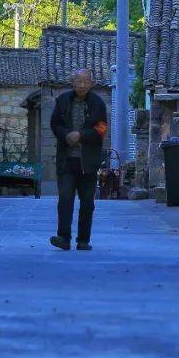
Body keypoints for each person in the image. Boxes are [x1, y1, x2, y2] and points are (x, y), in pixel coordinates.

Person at [49, 69, 108, 251]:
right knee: (65, 198)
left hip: (88, 162)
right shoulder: (63, 101)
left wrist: (81, 135)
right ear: (72, 82)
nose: (82, 85)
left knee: (87, 202)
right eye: (79, 81)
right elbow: (54, 124)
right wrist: (66, 135)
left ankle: (83, 240)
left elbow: (101, 129)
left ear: (91, 84)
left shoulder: (98, 104)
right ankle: (63, 237)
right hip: (67, 159)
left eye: (86, 81)